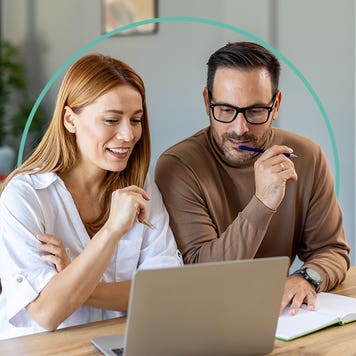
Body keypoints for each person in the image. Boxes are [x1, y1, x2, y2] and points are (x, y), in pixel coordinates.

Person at [155, 41, 350, 315]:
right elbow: (202, 274)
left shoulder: (308, 156)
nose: (239, 128)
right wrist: (262, 203)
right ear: (206, 102)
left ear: (277, 104)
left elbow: (331, 250)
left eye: (256, 111)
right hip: (207, 315)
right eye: (225, 110)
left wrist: (306, 278)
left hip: (281, 317)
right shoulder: (178, 167)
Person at [0, 54, 182, 339]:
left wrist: (76, 281)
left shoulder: (140, 186)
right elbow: (46, 313)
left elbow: (165, 292)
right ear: (70, 120)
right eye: (111, 120)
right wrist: (111, 230)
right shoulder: (25, 195)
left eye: (136, 120)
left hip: (117, 343)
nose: (128, 134)